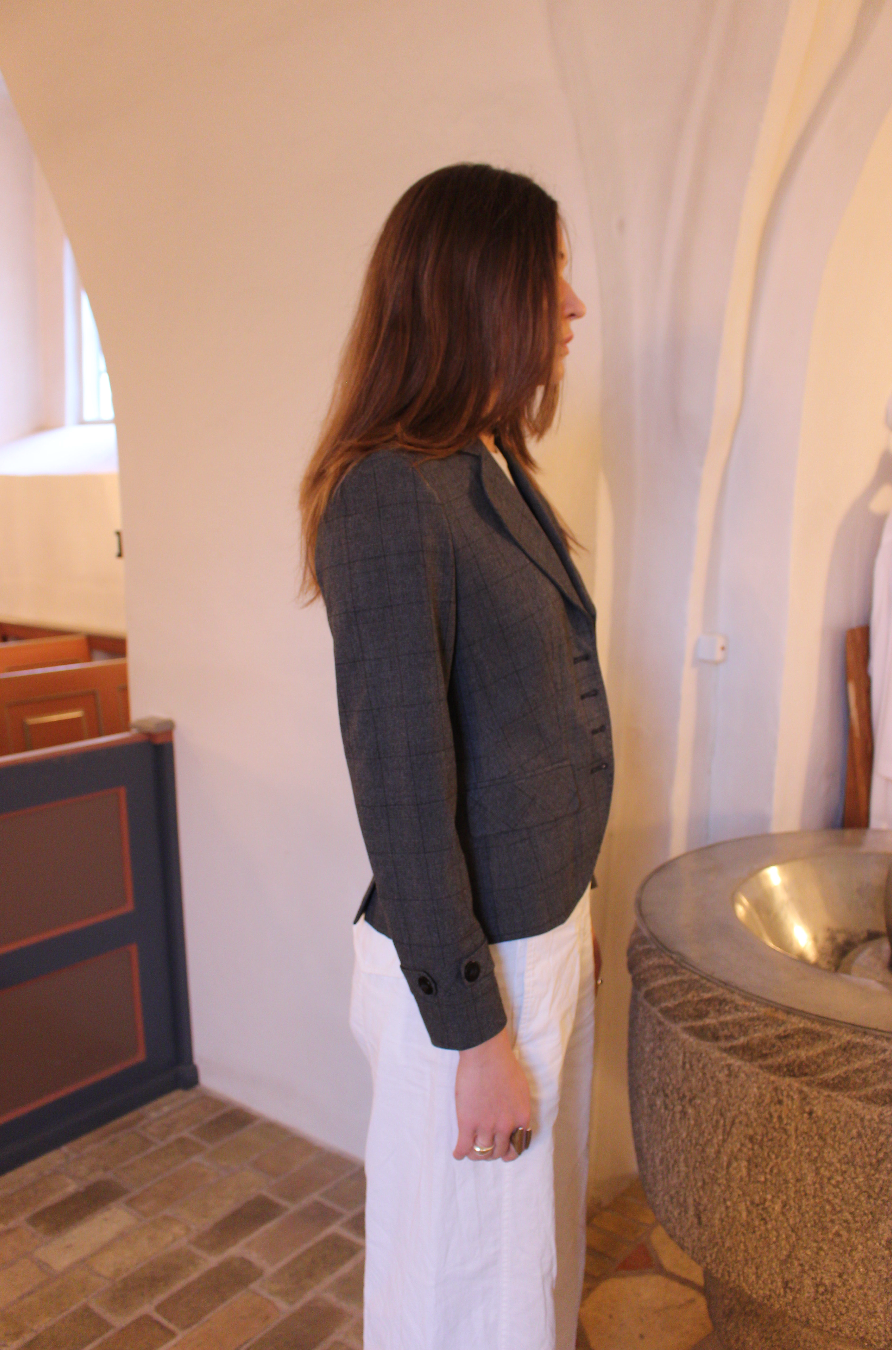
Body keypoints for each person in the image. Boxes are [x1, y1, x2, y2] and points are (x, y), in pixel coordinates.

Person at [299, 163, 613, 1350]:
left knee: (526, 1269)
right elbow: (404, 795)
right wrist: (475, 1035)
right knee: (460, 1297)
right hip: (474, 975)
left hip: (540, 934)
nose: (572, 306)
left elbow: (530, 730)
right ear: (477, 290)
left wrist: (576, 911)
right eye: (548, 277)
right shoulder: (387, 496)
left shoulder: (484, 462)